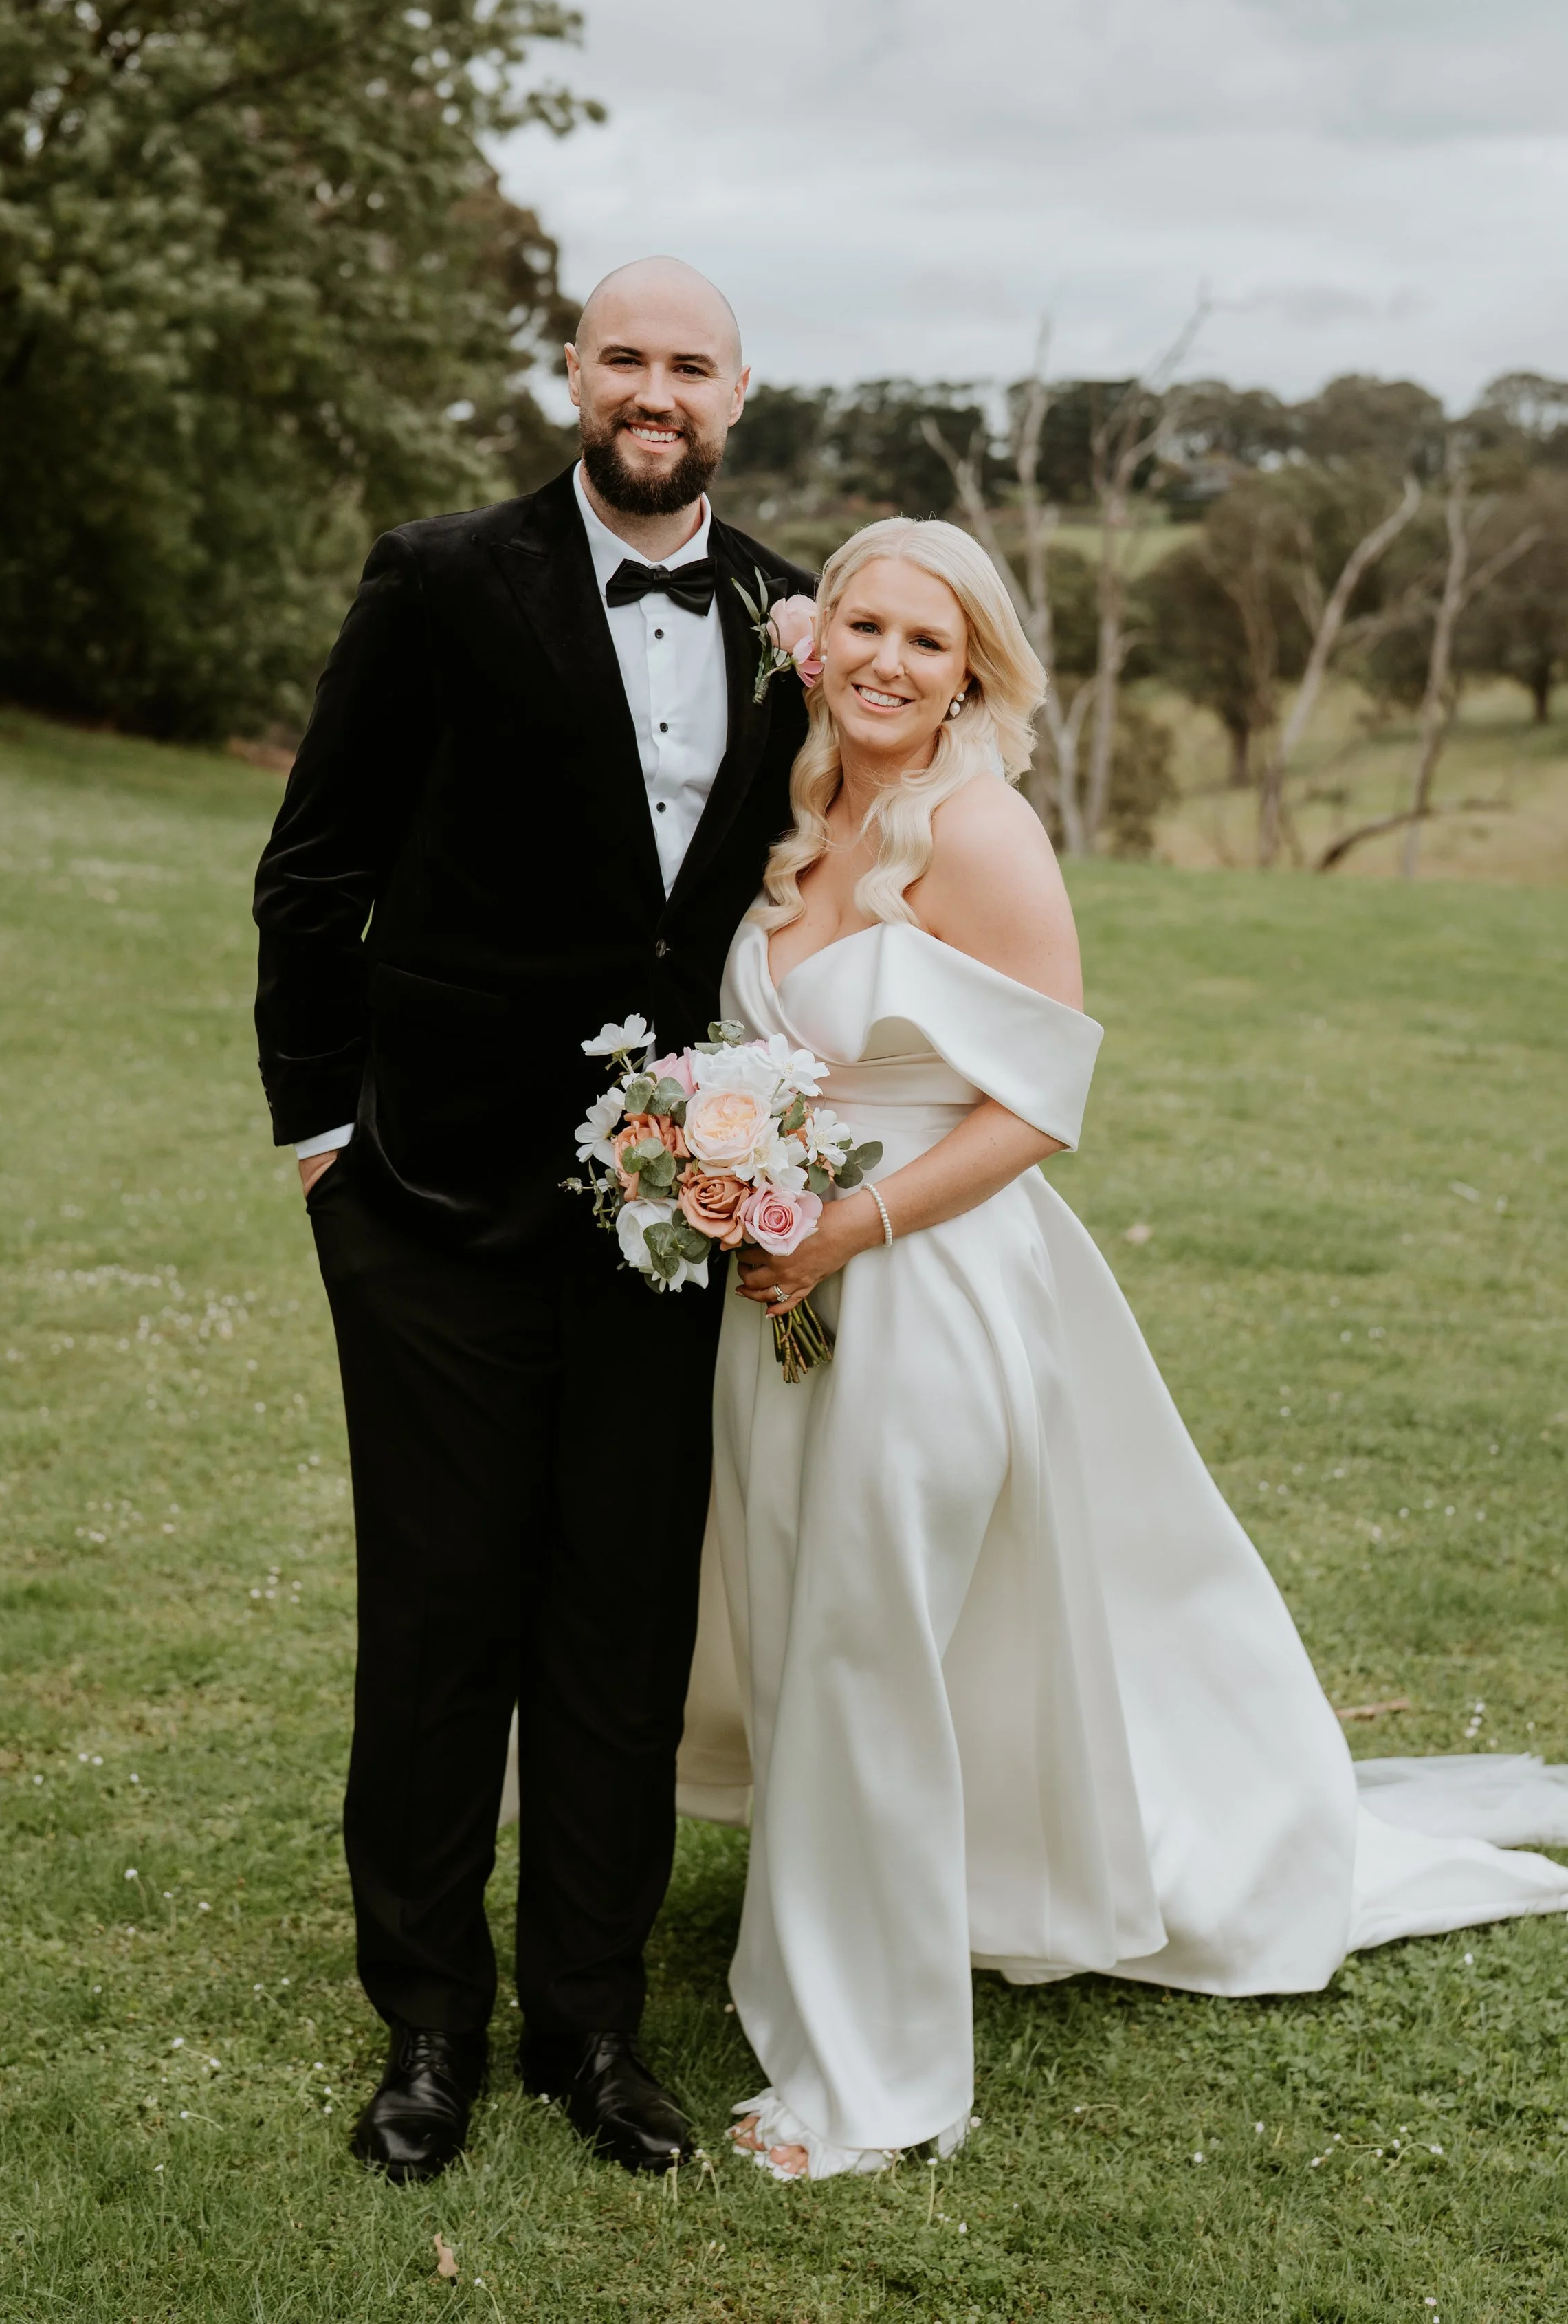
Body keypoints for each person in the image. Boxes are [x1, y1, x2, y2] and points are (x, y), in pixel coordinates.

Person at [676, 515, 1568, 2181]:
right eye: (859, 626)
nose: (884, 661)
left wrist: (845, 1231)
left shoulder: (982, 830)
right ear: (817, 647)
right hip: (776, 1304)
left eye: (925, 643)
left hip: (924, 1296)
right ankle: (825, 1947)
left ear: (973, 673)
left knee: (867, 1647)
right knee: (810, 1639)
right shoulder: (804, 817)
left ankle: (877, 2081)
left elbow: (1039, 1106)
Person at [252, 258, 813, 2182]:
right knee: (437, 1610)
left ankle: (589, 2020)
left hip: (667, 1214)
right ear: (574, 375)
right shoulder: (437, 578)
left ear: (739, 395)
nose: (654, 391)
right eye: (622, 356)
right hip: (422, 1197)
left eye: (690, 364)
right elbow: (313, 866)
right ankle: (426, 2018)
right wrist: (323, 1144)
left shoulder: (782, 608)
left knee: (615, 1618)